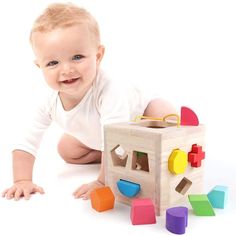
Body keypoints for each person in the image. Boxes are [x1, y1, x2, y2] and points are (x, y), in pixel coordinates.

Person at [2, 3, 176, 201]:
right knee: (66, 149)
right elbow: (26, 141)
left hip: (138, 123)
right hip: (108, 138)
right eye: (52, 63)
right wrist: (21, 180)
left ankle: (138, 154)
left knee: (161, 111)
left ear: (98, 56)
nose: (66, 69)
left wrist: (102, 181)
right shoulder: (48, 101)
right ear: (39, 65)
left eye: (77, 57)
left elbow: (115, 135)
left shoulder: (110, 89)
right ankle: (117, 157)